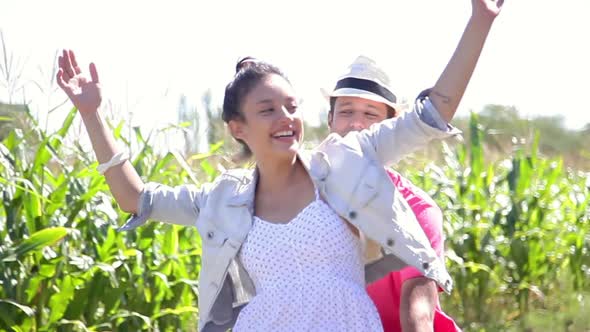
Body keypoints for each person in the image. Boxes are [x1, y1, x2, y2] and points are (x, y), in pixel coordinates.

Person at [55, 1, 502, 330]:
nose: (286, 118)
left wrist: (479, 20)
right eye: (267, 109)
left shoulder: (344, 163)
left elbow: (432, 113)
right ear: (238, 127)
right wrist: (92, 115)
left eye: (291, 106)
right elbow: (135, 198)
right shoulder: (224, 200)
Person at [326, 55, 461, 332]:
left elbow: (418, 313)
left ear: (391, 128)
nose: (356, 125)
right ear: (330, 120)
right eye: (346, 111)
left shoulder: (417, 209)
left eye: (370, 115)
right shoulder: (304, 199)